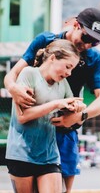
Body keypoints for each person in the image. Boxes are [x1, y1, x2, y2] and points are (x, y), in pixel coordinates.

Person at [4, 7, 100, 193]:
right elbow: (13, 75)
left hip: (64, 130)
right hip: (32, 127)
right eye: (86, 38)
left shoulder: (95, 59)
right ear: (76, 25)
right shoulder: (46, 41)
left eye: (95, 43)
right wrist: (14, 89)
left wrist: (80, 116)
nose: (88, 45)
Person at [5, 39, 85, 193]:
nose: (69, 73)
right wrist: (56, 104)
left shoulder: (63, 84)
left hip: (49, 155)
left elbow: (71, 105)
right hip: (21, 154)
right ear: (53, 58)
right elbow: (23, 117)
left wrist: (78, 108)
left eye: (72, 69)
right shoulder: (29, 74)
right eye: (68, 67)